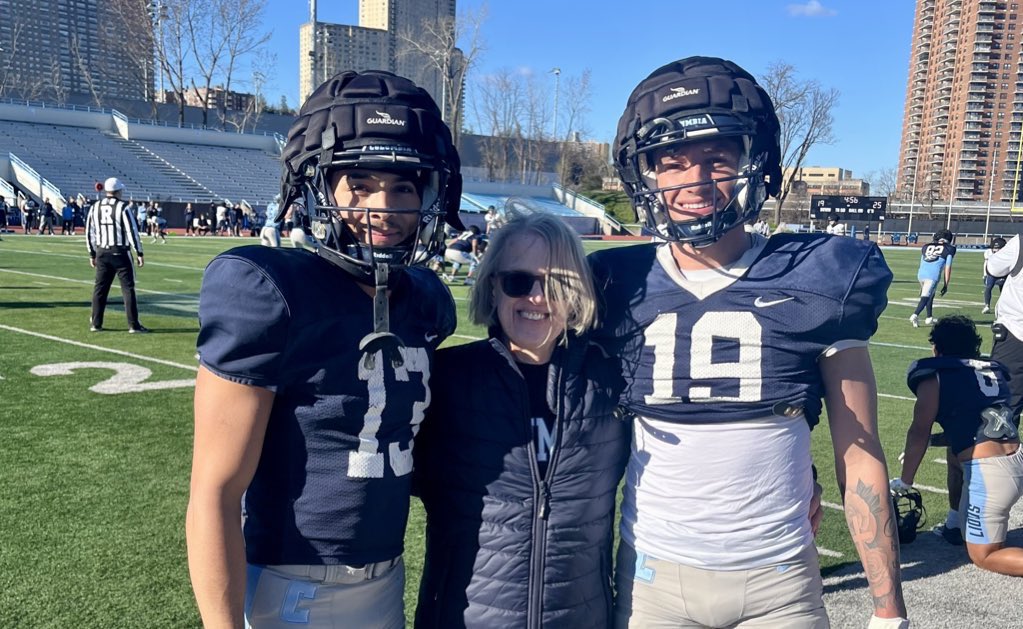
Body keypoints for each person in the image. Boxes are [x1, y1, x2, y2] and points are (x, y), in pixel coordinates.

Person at [590, 56, 906, 628]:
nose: (694, 181)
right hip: (652, 579)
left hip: (779, 582)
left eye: (717, 160)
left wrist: (889, 611)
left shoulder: (821, 274)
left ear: (754, 164)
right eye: (672, 162)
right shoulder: (616, 283)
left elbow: (859, 452)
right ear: (647, 176)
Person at [186, 69, 463, 629]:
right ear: (317, 187)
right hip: (294, 588)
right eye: (358, 184)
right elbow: (215, 489)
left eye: (404, 186)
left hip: (387, 579)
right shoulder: (269, 291)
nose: (383, 208)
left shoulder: (426, 301)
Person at [413, 213, 629, 628]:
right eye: (518, 281)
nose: (536, 298)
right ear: (492, 285)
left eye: (556, 283)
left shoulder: (612, 384)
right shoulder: (444, 379)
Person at [892, 315, 1023, 575]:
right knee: (955, 455)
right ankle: (954, 523)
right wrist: (933, 441)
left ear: (936, 348)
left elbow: (919, 430)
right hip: (1015, 459)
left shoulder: (934, 376)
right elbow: (971, 426)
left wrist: (905, 481)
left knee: (985, 555)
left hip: (990, 476)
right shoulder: (992, 370)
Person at [85, 177, 148, 334]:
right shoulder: (123, 207)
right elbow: (131, 231)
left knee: (100, 289)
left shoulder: (95, 207)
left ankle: (96, 323)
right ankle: (133, 324)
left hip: (102, 252)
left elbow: (89, 232)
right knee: (128, 289)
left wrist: (92, 253)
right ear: (118, 191)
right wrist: (139, 252)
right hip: (120, 252)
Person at [986, 233, 1023, 423]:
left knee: (1003, 406)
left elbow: (993, 268)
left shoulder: (1020, 242)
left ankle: (1004, 450)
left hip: (1016, 332)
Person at [909, 229, 956, 328]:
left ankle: (929, 317)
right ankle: (915, 315)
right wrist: (946, 284)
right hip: (932, 275)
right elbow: (948, 267)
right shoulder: (949, 249)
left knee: (930, 295)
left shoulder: (926, 246)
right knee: (925, 297)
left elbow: (922, 261)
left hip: (921, 274)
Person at [983, 236, 1007, 315]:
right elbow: (986, 263)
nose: (996, 250)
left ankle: (1004, 307)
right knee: (988, 287)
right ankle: (987, 305)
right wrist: (985, 274)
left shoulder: (1006, 254)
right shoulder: (988, 252)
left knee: (1003, 290)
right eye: (995, 248)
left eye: (998, 248)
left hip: (1003, 272)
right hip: (992, 272)